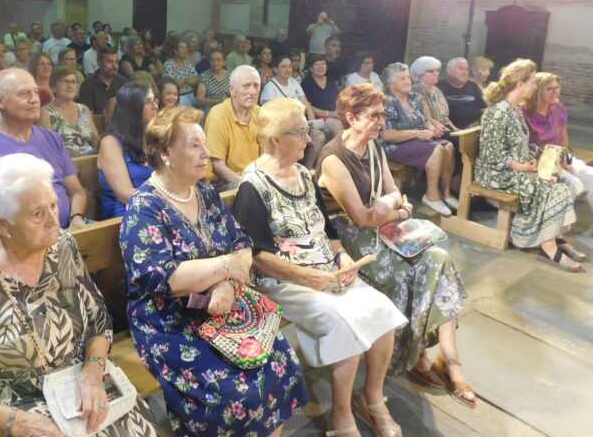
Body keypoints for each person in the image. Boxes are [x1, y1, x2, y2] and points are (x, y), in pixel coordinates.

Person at [0, 152, 158, 437]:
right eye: (38, 213)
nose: (54, 220)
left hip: (78, 382)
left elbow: (98, 320)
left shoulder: (61, 246)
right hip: (17, 405)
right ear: (2, 223)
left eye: (54, 205)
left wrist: (92, 372)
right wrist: (13, 422)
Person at [120, 106, 308, 436]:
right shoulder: (144, 209)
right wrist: (225, 267)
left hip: (224, 304)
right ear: (165, 153)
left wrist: (227, 285)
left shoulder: (205, 192)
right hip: (171, 318)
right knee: (234, 395)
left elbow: (241, 242)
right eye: (194, 145)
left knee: (279, 362)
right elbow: (165, 278)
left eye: (205, 143)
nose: (206, 154)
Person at [233, 98, 406, 437]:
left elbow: (326, 228)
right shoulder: (253, 185)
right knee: (343, 321)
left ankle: (372, 399)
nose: (309, 140)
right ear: (274, 139)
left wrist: (341, 258)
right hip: (284, 282)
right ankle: (341, 415)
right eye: (300, 132)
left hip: (327, 270)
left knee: (381, 311)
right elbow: (256, 256)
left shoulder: (302, 174)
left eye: (308, 130)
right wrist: (311, 277)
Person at [319, 84, 475, 407]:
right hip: (349, 240)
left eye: (384, 114)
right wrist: (392, 207)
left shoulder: (373, 149)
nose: (382, 121)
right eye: (375, 115)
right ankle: (415, 359)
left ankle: (450, 359)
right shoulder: (334, 158)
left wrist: (394, 208)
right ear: (351, 117)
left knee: (437, 259)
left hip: (387, 228)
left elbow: (395, 196)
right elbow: (360, 217)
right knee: (402, 275)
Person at [475, 60, 581, 270]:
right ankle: (548, 247)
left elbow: (523, 145)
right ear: (520, 84)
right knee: (551, 187)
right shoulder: (497, 112)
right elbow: (491, 156)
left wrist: (540, 160)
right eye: (533, 82)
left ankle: (554, 237)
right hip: (495, 174)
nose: (535, 87)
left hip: (516, 169)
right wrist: (524, 167)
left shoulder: (515, 109)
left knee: (561, 182)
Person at [0, 69, 88, 231]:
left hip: (70, 228)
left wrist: (77, 218)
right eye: (24, 94)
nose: (34, 100)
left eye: (36, 92)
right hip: (23, 242)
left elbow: (76, 190)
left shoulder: (52, 138)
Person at [380, 63, 456, 216]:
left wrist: (431, 128)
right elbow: (386, 135)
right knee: (437, 149)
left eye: (407, 77)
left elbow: (424, 120)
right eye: (402, 79)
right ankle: (431, 196)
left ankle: (446, 193)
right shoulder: (387, 101)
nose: (408, 81)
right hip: (394, 146)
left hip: (417, 141)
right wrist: (417, 133)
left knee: (448, 146)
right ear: (390, 84)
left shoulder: (414, 97)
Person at [526, 72, 593, 213]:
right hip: (538, 162)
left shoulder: (557, 108)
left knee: (591, 176)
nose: (555, 91)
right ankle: (553, 229)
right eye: (549, 89)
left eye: (557, 87)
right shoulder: (527, 113)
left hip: (560, 157)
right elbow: (527, 149)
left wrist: (567, 160)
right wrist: (557, 164)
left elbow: (563, 139)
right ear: (538, 91)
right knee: (573, 184)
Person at [97, 82, 156, 219]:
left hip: (155, 209)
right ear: (133, 107)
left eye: (154, 100)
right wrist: (168, 201)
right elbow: (124, 194)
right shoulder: (111, 143)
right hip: (127, 216)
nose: (155, 107)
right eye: (148, 102)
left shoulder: (153, 139)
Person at [260, 55, 328, 169]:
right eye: (284, 67)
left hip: (302, 126)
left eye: (290, 67)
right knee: (295, 138)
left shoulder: (294, 83)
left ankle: (307, 168)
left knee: (319, 136)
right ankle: (289, 167)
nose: (288, 70)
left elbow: (306, 104)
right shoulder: (270, 87)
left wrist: (312, 122)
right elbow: (269, 115)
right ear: (275, 69)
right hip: (283, 128)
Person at [204, 65, 261, 188]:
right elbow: (217, 165)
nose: (252, 91)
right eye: (246, 86)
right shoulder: (218, 115)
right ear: (232, 90)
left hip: (255, 178)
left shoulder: (260, 113)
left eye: (256, 86)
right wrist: (248, 184)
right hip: (225, 182)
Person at [39, 66, 99, 157]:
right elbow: (47, 147)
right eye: (65, 81)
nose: (70, 85)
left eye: (73, 82)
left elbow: (95, 140)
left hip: (90, 159)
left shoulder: (83, 109)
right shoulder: (45, 112)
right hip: (63, 162)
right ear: (54, 86)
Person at [411, 56, 458, 134]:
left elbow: (445, 118)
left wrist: (457, 130)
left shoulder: (437, 90)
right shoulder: (415, 92)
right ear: (419, 74)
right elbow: (428, 119)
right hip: (429, 130)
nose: (436, 73)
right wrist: (451, 133)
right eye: (431, 71)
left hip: (444, 127)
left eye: (437, 70)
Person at [301, 54, 344, 136]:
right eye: (317, 64)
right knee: (337, 126)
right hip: (317, 119)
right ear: (311, 68)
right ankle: (334, 149)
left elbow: (337, 99)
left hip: (334, 115)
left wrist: (339, 112)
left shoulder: (331, 81)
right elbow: (308, 106)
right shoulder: (307, 83)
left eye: (323, 64)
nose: (321, 67)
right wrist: (329, 114)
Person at [78, 47, 126, 122]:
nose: (114, 66)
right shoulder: (88, 85)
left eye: (116, 62)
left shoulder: (123, 82)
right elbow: (87, 117)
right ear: (99, 62)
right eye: (109, 62)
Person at [438, 57, 486, 130]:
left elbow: (483, 108)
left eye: (467, 69)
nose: (465, 72)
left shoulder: (473, 85)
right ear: (449, 71)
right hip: (451, 130)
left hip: (475, 128)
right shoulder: (439, 88)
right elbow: (439, 116)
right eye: (460, 69)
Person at [162, 40, 198, 107]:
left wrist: (184, 80)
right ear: (175, 51)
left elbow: (195, 79)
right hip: (178, 96)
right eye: (182, 47)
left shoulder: (189, 63)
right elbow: (175, 83)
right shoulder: (169, 64)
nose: (185, 50)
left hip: (191, 95)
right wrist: (188, 80)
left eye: (186, 47)